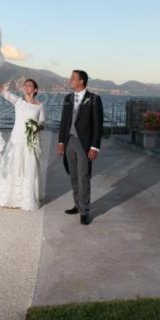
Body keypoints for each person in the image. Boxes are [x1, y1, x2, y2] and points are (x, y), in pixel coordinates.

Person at [0, 77, 46, 211]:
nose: (26, 87)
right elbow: (2, 91)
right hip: (17, 140)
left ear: (35, 89)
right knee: (13, 166)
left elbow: (42, 124)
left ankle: (27, 197)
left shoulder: (39, 106)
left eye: (29, 85)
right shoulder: (18, 102)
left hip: (30, 141)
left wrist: (35, 128)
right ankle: (10, 196)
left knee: (29, 167)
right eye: (25, 85)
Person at [57, 70, 104, 225]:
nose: (70, 80)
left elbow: (98, 125)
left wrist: (95, 147)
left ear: (82, 81)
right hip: (69, 141)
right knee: (73, 176)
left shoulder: (94, 99)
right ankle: (77, 205)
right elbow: (64, 122)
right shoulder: (68, 98)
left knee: (83, 177)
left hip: (84, 144)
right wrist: (61, 142)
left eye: (73, 78)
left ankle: (85, 211)